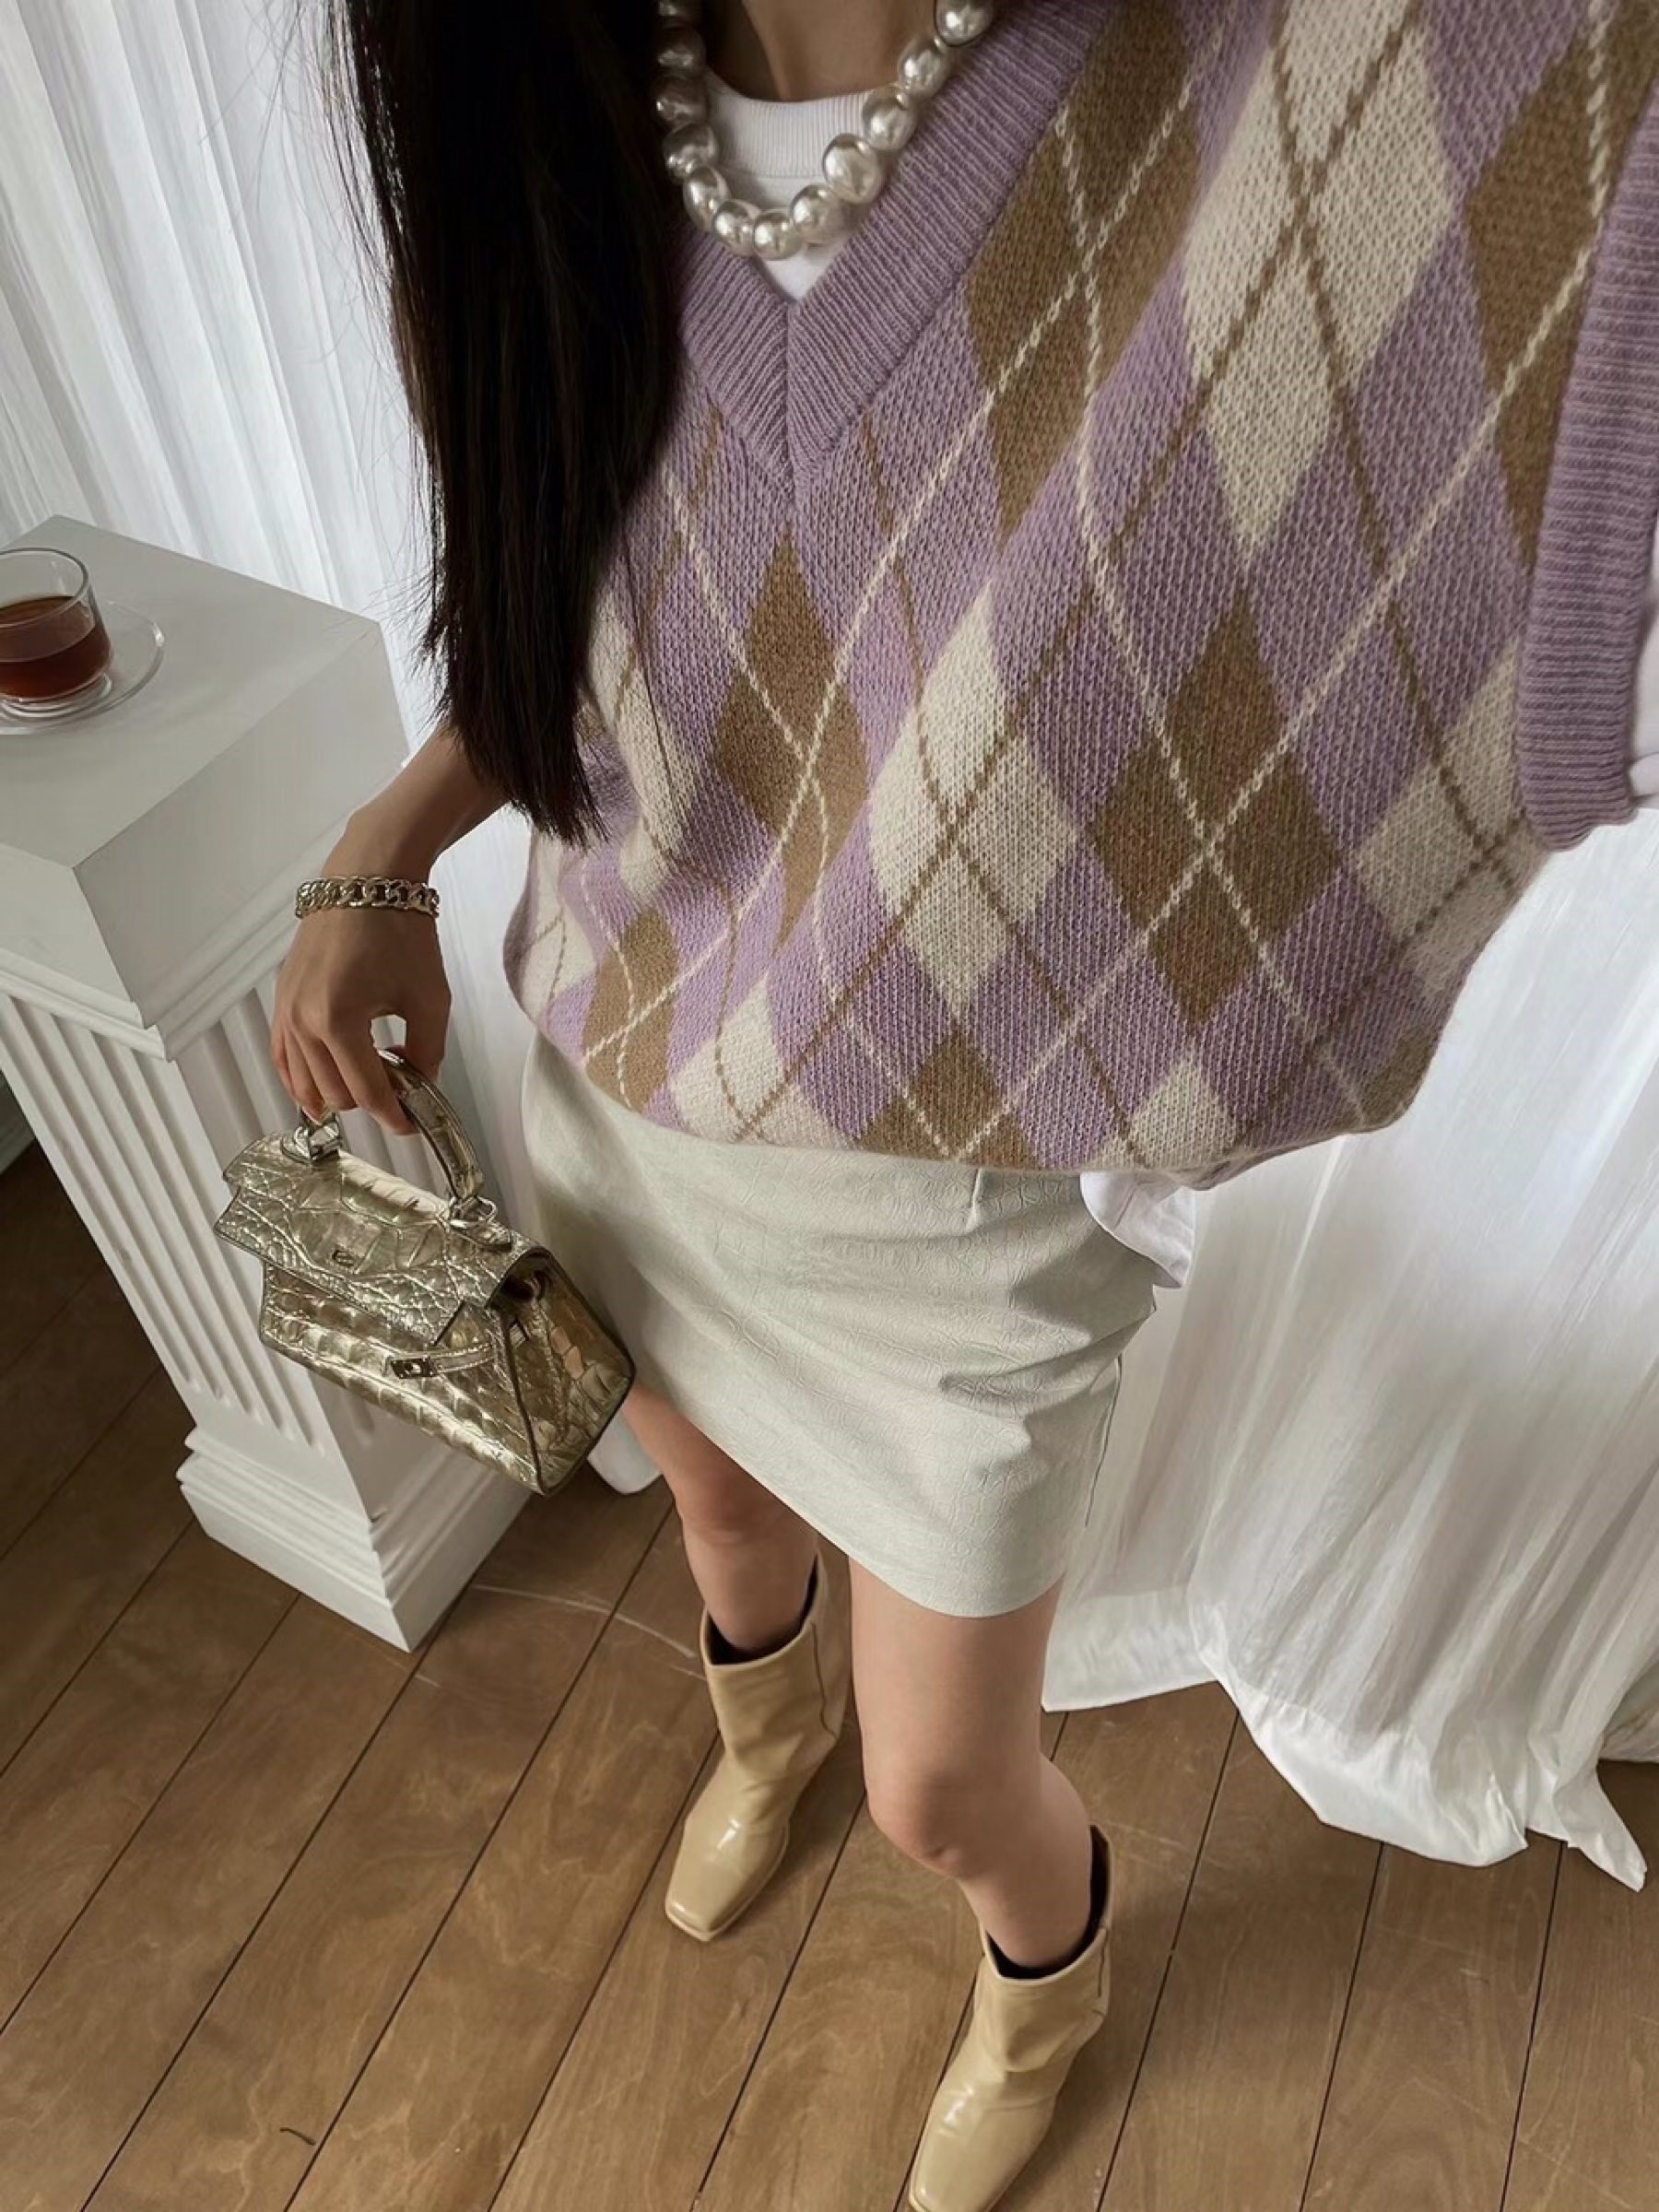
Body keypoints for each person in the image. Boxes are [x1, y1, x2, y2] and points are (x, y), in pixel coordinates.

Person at [273, 5, 1659, 2206]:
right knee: (717, 1528)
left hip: (953, 1219)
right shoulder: (558, 111)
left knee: (947, 1784)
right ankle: (766, 1731)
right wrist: (378, 848)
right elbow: (590, 599)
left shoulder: (1360, 92)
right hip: (620, 1082)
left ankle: (1047, 1971)